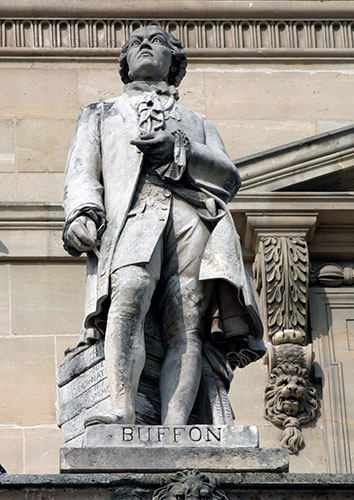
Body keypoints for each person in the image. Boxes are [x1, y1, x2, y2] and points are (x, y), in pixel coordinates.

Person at [63, 26, 265, 427]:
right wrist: (82, 213)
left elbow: (229, 176)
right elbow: (82, 173)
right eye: (135, 43)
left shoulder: (195, 120)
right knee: (129, 297)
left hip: (189, 217)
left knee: (187, 320)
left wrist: (180, 149)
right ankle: (122, 406)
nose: (143, 46)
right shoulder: (101, 113)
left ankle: (176, 425)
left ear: (174, 62)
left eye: (155, 41)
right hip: (133, 217)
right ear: (125, 62)